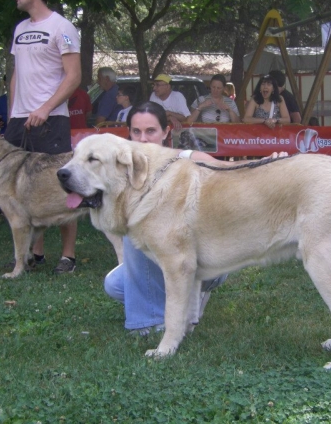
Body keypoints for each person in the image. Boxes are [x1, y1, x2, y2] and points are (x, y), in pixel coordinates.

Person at [104, 102, 287, 335]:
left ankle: (149, 322)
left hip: (203, 258)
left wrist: (267, 163)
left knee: (140, 229)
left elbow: (227, 168)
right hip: (159, 257)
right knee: (114, 285)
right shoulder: (123, 170)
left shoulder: (184, 158)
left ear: (166, 132)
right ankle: (175, 303)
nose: (142, 139)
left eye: (150, 131)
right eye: (136, 132)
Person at [6, 0, 81, 273]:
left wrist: (45, 108)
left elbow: (73, 76)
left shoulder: (62, 28)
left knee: (62, 186)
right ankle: (33, 254)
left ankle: (68, 255)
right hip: (19, 121)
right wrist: (13, 114)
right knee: (20, 188)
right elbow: (16, 75)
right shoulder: (20, 29)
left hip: (51, 120)